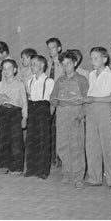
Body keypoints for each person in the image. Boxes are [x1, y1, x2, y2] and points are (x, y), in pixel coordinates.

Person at [50, 51, 88, 189]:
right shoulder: (59, 80)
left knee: (76, 146)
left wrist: (80, 117)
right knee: (62, 146)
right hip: (61, 116)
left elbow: (87, 101)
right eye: (63, 64)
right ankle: (67, 173)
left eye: (69, 64)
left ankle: (78, 177)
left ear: (75, 63)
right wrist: (57, 102)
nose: (66, 67)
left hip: (75, 116)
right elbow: (52, 99)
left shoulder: (82, 80)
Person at [83, 47, 111, 190]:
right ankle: (95, 178)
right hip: (91, 110)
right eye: (91, 58)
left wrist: (94, 99)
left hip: (104, 109)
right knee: (91, 145)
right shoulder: (91, 74)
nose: (93, 61)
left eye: (96, 58)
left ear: (104, 59)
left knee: (108, 145)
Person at [0, 59, 27, 176]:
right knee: (2, 139)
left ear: (15, 70)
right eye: (4, 68)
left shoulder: (20, 84)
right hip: (2, 112)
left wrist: (24, 117)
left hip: (15, 112)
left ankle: (17, 167)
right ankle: (3, 166)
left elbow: (24, 102)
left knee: (16, 140)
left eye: (9, 68)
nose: (6, 71)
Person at [24, 55, 54, 179]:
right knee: (31, 139)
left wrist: (49, 116)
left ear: (42, 65)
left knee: (43, 140)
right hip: (32, 107)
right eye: (31, 64)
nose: (32, 66)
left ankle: (43, 170)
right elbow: (28, 97)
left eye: (35, 64)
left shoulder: (49, 81)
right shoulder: (29, 80)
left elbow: (51, 102)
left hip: (43, 108)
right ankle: (31, 167)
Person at [46, 37, 63, 167]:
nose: (50, 50)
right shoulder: (48, 64)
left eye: (53, 47)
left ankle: (60, 158)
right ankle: (52, 158)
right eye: (49, 48)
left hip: (60, 102)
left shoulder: (63, 63)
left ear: (59, 49)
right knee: (50, 131)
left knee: (60, 131)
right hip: (49, 101)